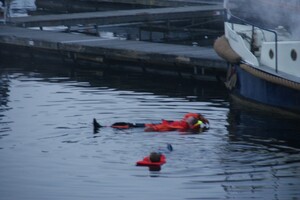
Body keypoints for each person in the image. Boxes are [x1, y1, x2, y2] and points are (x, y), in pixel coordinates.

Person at [93, 113, 209, 133]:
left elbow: (166, 127)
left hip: (152, 127)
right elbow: (189, 115)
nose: (188, 119)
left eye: (190, 120)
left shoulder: (181, 126)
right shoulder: (185, 121)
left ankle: (103, 127)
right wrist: (200, 117)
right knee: (128, 124)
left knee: (128, 126)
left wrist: (154, 130)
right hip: (150, 125)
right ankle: (104, 126)